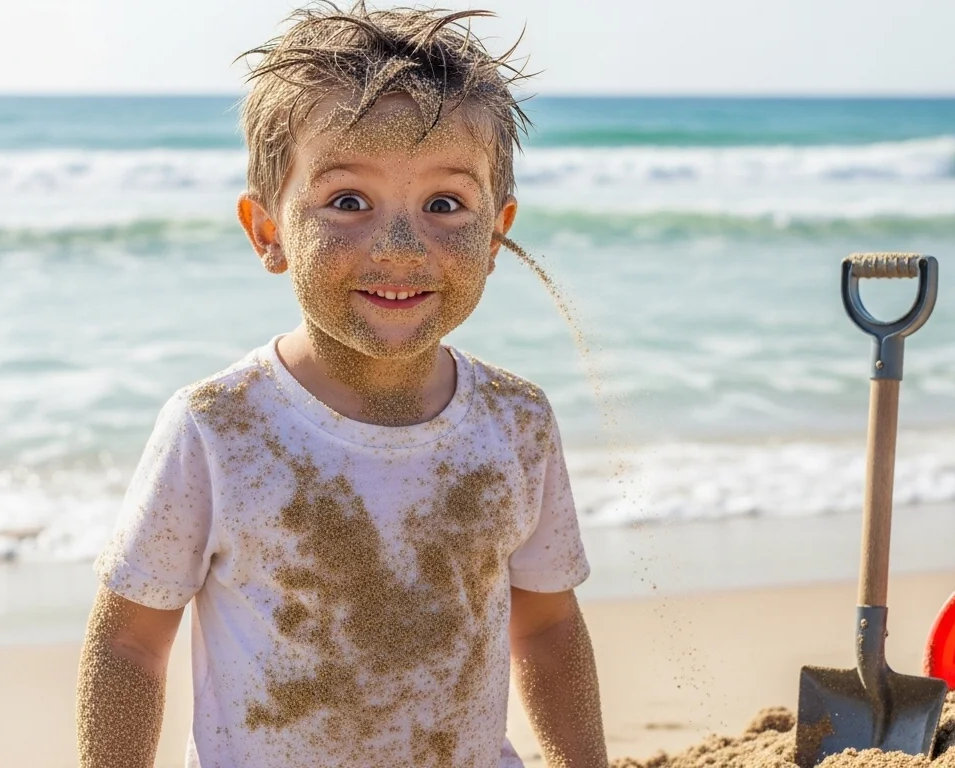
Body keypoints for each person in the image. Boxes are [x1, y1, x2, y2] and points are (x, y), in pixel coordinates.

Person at [75, 4, 606, 767]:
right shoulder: (220, 430)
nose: (399, 246)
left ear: (497, 235)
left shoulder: (516, 422)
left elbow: (548, 626)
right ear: (268, 232)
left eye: (445, 205)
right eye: (347, 202)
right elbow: (128, 645)